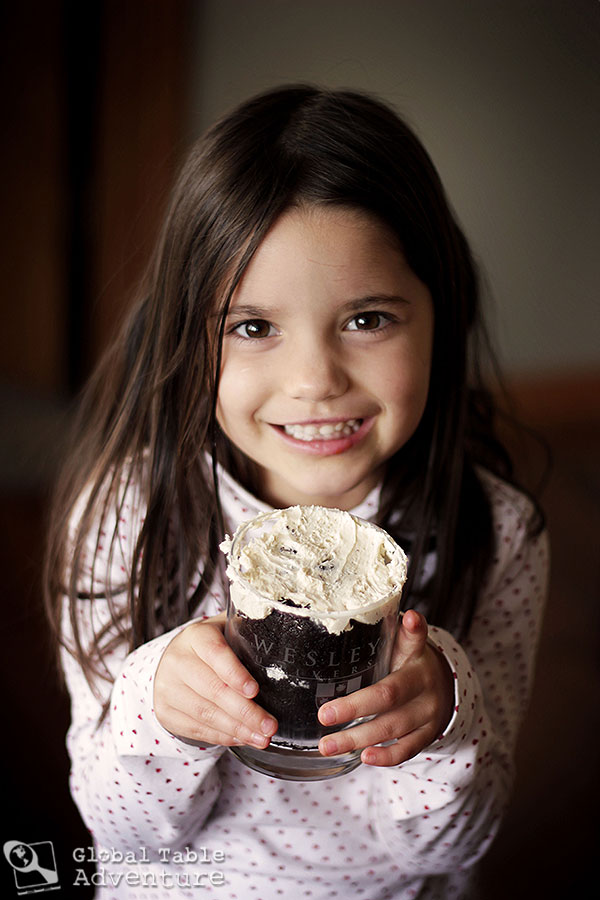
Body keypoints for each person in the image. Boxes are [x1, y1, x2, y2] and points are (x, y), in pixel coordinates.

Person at [45, 85, 549, 899]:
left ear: (440, 311)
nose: (315, 380)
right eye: (252, 327)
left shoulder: (495, 530)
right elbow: (125, 831)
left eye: (368, 319)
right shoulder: (127, 515)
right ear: (187, 334)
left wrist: (447, 719)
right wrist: (158, 706)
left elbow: (452, 849)